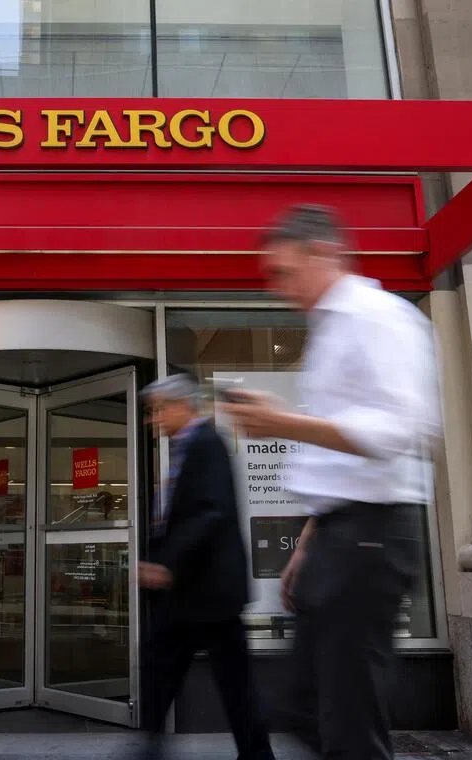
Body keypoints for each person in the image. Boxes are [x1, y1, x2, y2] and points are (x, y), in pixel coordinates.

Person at [223, 204, 443, 760]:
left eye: (285, 272)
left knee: (345, 711)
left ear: (323, 253)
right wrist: (309, 540)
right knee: (303, 705)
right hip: (341, 535)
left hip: (374, 534)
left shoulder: (377, 317)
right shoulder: (331, 328)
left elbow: (399, 428)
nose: (278, 288)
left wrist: (282, 424)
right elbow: (339, 466)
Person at [137, 374, 275, 760]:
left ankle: (256, 754)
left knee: (231, 683)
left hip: (210, 592)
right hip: (191, 592)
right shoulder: (187, 447)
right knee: (162, 669)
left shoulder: (207, 444)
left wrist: (165, 563)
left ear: (182, 406)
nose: (154, 419)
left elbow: (210, 512)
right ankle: (149, 747)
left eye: (159, 410)